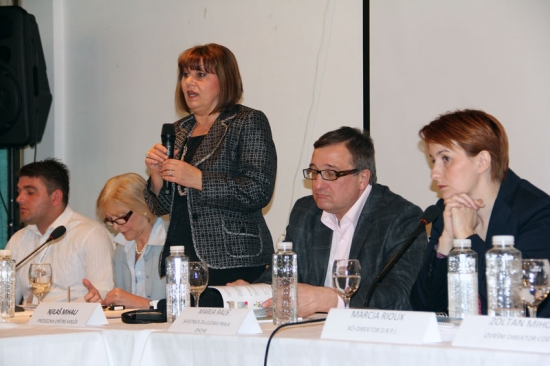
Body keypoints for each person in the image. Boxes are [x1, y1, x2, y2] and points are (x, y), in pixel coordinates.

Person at [242, 127, 426, 318]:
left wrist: (333, 301)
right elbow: (281, 276)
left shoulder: (400, 218)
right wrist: (252, 291)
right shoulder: (305, 212)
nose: (318, 184)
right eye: (314, 172)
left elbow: (403, 295)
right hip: (309, 333)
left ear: (362, 178)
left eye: (331, 173)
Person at [144, 43, 277, 286]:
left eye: (200, 75)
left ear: (224, 80)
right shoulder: (179, 130)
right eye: (185, 75)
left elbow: (258, 190)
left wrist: (198, 179)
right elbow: (161, 206)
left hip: (233, 259)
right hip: (182, 255)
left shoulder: (246, 122)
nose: (188, 82)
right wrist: (157, 175)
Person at [410, 109, 550, 317]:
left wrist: (467, 236)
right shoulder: (445, 210)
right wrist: (446, 241)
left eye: (446, 158)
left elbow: (518, 302)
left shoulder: (536, 212)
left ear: (482, 161)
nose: (434, 173)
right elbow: (426, 306)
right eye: (433, 160)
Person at [6, 158, 114, 303]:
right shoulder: (18, 239)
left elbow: (104, 292)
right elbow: (5, 297)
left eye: (30, 192)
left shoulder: (90, 234)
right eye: (19, 192)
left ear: (55, 197)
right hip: (28, 323)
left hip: (72, 323)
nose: (19, 199)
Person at [83, 173, 167, 309]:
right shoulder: (122, 247)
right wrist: (104, 303)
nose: (115, 227)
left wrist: (144, 304)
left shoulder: (172, 242)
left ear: (143, 207)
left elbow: (188, 305)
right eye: (110, 220)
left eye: (120, 218)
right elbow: (123, 303)